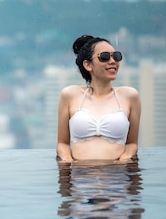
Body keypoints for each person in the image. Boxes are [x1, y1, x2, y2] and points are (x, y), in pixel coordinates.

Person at [56, 35, 141, 163]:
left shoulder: (129, 96)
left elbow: (132, 143)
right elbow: (62, 143)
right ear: (88, 65)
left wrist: (125, 159)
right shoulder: (69, 95)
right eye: (105, 56)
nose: (112, 61)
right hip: (80, 176)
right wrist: (67, 163)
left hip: (117, 175)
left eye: (116, 56)